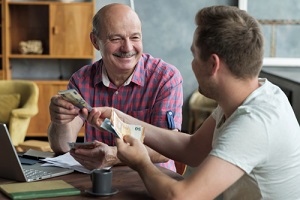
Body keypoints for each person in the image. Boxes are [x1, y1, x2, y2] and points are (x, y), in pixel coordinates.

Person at [82, 5, 300, 199]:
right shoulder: (255, 94)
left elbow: (182, 196)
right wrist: (119, 117)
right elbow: (192, 148)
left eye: (194, 56)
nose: (192, 64)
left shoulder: (255, 123)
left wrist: (141, 163)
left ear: (213, 65)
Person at [47, 3, 183, 172]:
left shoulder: (166, 78)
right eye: (116, 39)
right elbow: (62, 147)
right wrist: (58, 120)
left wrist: (114, 154)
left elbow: (168, 150)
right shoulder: (81, 80)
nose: (127, 48)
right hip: (97, 181)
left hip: (153, 182)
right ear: (95, 42)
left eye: (135, 37)